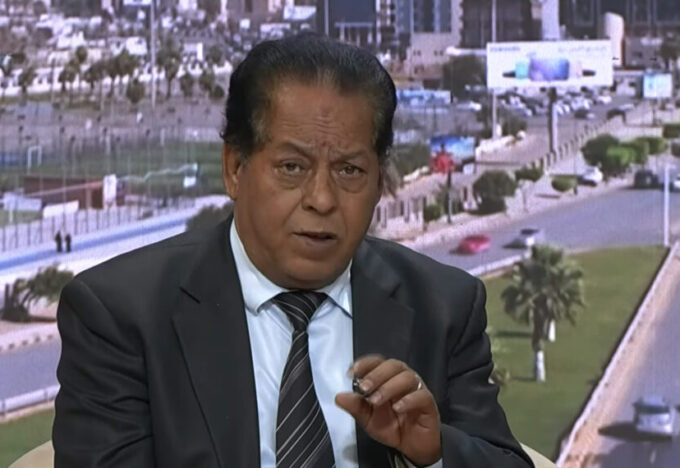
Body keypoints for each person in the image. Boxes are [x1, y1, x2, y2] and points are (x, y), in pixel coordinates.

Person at [53, 34, 534, 468]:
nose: (321, 199)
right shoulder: (121, 314)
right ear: (235, 168)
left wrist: (434, 456)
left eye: (349, 171)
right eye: (291, 167)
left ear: (379, 181)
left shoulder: (444, 306)